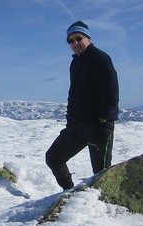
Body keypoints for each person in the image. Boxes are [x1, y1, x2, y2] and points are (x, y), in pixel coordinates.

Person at [46, 21, 119, 190]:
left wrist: (103, 120)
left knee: (100, 174)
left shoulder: (100, 58)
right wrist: (71, 120)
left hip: (98, 127)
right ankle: (69, 193)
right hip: (77, 126)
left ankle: (101, 210)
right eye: (70, 41)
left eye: (78, 38)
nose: (75, 43)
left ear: (88, 38)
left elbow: (111, 91)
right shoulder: (76, 62)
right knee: (53, 158)